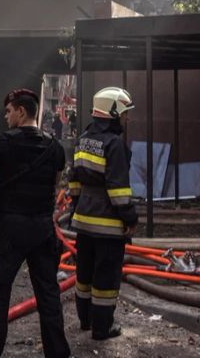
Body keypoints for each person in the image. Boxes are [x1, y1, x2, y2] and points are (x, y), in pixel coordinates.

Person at [0, 88, 70, 358]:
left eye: (9, 111)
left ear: (21, 111)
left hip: (8, 231)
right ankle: (58, 353)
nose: (6, 116)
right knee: (48, 295)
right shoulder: (55, 147)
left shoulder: (1, 144)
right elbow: (53, 187)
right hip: (42, 229)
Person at [69, 87, 137, 341]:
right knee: (106, 278)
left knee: (84, 273)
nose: (127, 118)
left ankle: (85, 321)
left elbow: (74, 181)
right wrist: (130, 219)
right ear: (113, 112)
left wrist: (78, 209)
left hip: (84, 221)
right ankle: (102, 328)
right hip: (108, 224)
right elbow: (119, 189)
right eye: (125, 113)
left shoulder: (84, 139)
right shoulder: (115, 144)